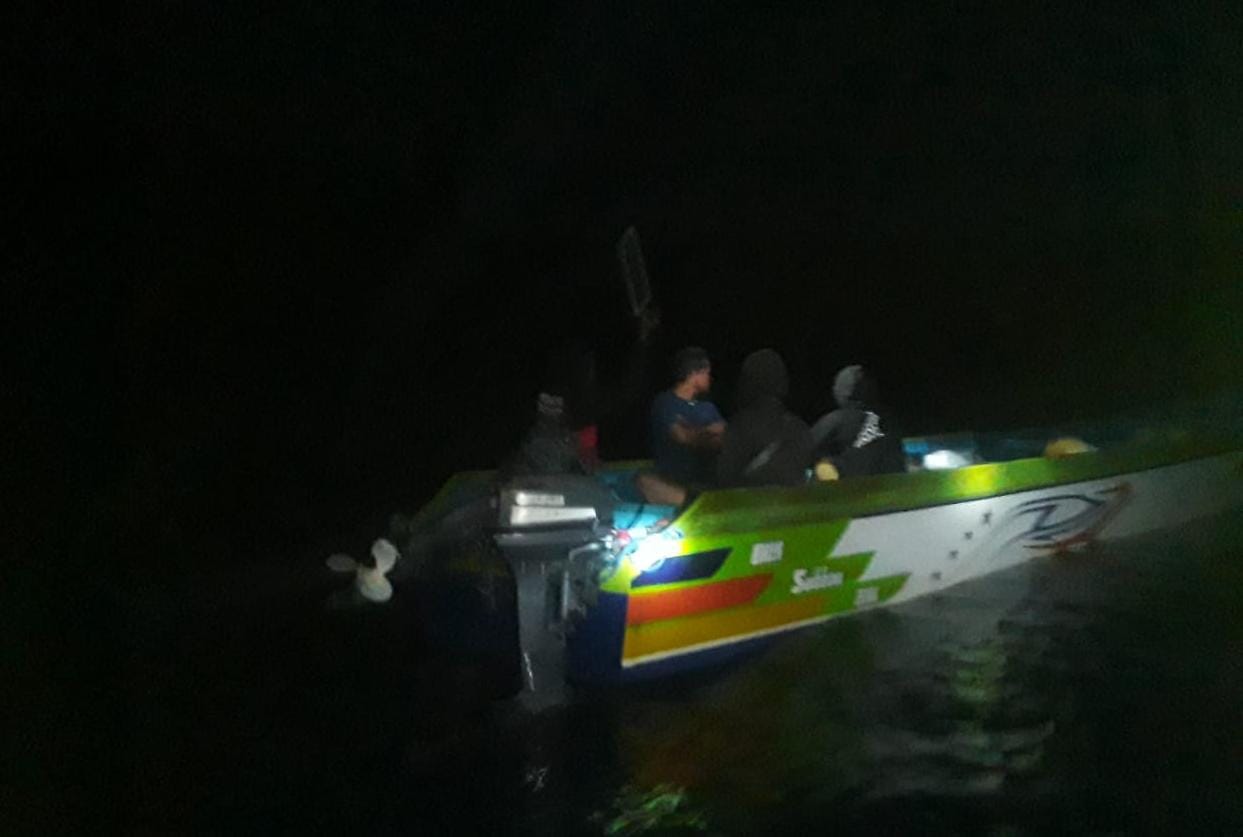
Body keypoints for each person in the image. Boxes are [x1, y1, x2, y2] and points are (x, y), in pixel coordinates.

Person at [636, 346, 725, 505]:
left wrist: (694, 431)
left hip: (703, 482)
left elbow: (723, 439)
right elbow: (682, 436)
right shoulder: (665, 403)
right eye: (706, 373)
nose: (709, 378)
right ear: (694, 374)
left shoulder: (708, 407)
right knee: (644, 480)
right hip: (673, 482)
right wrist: (709, 431)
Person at [716, 348, 814, 488]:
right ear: (783, 381)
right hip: (788, 501)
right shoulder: (798, 428)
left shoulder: (739, 428)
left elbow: (726, 479)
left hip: (750, 500)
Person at [810, 364, 906, 478]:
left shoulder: (837, 420)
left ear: (844, 390)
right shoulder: (889, 420)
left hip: (853, 487)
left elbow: (803, 449)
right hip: (893, 485)